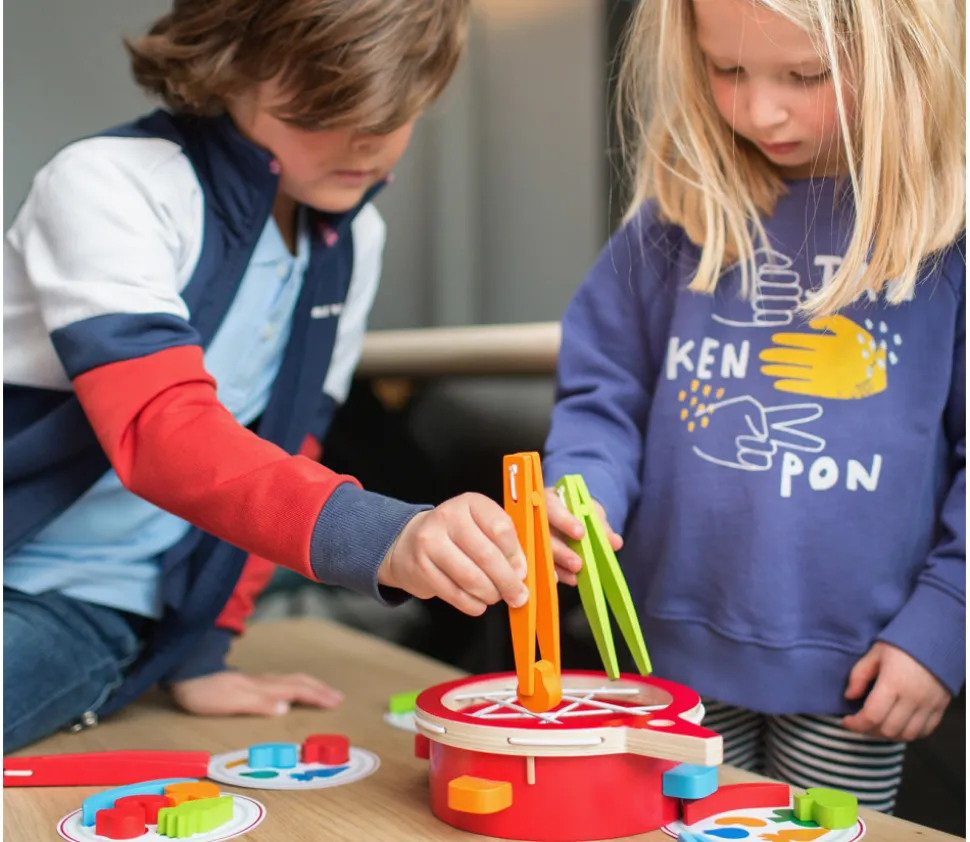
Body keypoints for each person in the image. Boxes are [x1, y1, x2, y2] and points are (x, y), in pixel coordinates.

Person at [3, 0, 531, 754]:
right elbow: (162, 430)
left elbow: (290, 444)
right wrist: (381, 534)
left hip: (81, 603)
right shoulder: (113, 184)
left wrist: (202, 648)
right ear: (230, 67)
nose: (364, 144)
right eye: (322, 113)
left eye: (393, 116)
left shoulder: (354, 241)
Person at [542, 0, 964, 813]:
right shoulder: (674, 220)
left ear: (905, 56)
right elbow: (603, 396)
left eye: (805, 75)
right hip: (665, 659)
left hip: (861, 672)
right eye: (727, 69)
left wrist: (947, 622)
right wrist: (582, 495)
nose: (761, 110)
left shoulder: (950, 240)